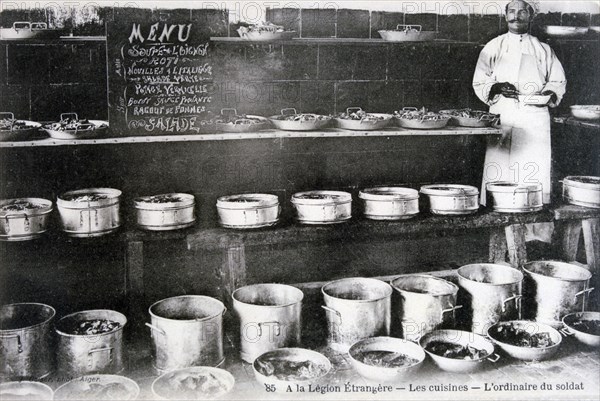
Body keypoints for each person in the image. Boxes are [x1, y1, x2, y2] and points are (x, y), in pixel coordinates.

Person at [473, 0, 567, 208]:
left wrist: (549, 92)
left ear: (531, 16)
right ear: (506, 16)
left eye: (523, 11)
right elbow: (480, 80)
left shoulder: (543, 49)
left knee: (533, 167)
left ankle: (533, 231)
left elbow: (558, 81)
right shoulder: (494, 46)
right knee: (500, 168)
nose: (517, 16)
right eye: (512, 11)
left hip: (534, 118)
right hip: (503, 114)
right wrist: (496, 87)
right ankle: (498, 224)